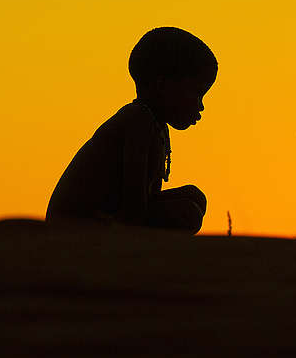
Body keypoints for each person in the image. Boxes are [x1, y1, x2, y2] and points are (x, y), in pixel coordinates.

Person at [46, 26, 216, 231]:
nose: (200, 106)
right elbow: (134, 207)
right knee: (188, 213)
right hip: (79, 227)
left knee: (194, 197)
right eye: (196, 94)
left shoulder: (155, 125)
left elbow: (145, 200)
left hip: (112, 218)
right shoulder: (139, 120)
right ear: (162, 86)